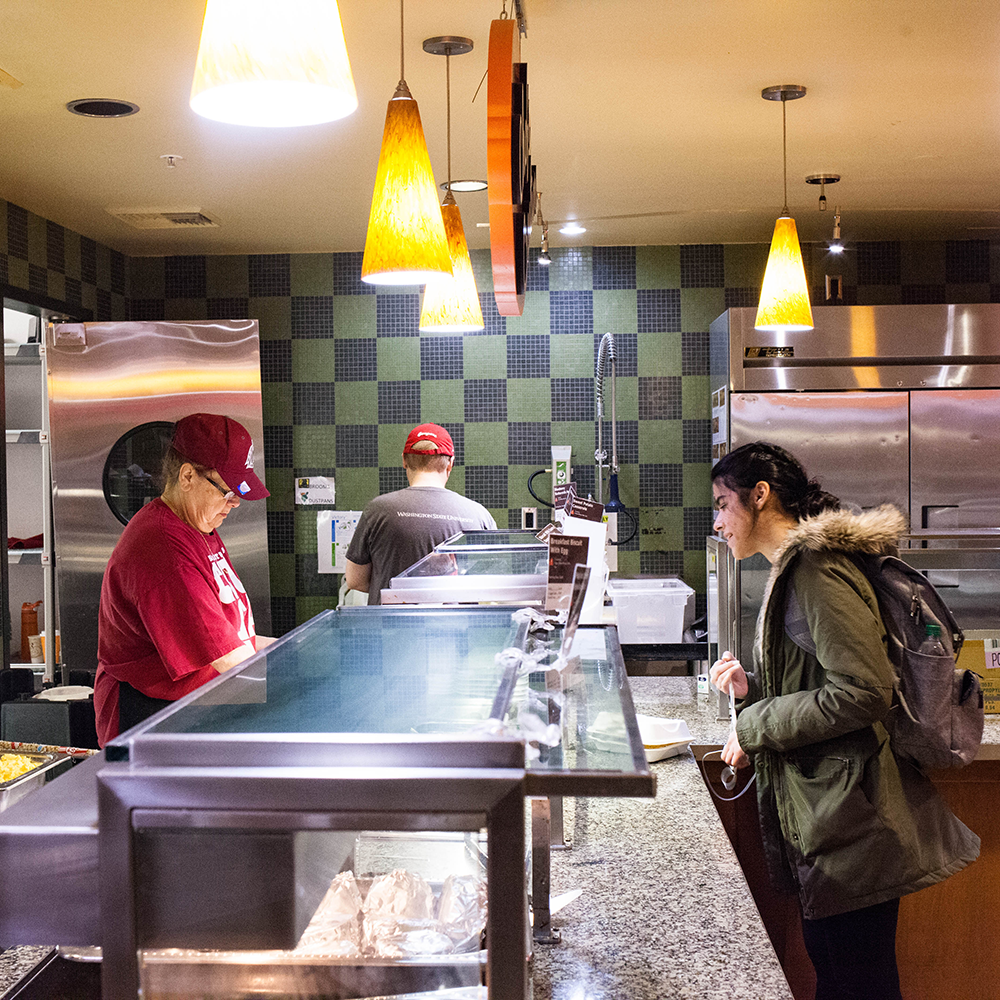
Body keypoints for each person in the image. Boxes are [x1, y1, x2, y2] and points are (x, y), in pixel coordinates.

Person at [707, 441, 979, 1000]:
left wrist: (753, 725)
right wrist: (752, 691)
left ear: (760, 496)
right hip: (832, 816)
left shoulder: (816, 570)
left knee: (858, 984)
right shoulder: (796, 569)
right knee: (842, 978)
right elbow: (825, 684)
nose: (717, 523)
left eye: (721, 504)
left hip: (854, 818)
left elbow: (863, 691)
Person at [94, 413, 275, 746]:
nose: (233, 504)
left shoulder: (198, 525)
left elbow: (235, 636)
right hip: (150, 719)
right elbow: (226, 659)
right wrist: (296, 680)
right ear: (188, 475)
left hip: (190, 707)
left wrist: (292, 653)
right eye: (227, 491)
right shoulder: (164, 545)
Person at [345, 423, 496, 605]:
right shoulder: (478, 515)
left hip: (389, 629)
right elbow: (488, 584)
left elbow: (355, 580)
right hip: (454, 630)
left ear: (404, 460)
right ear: (450, 463)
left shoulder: (377, 510)